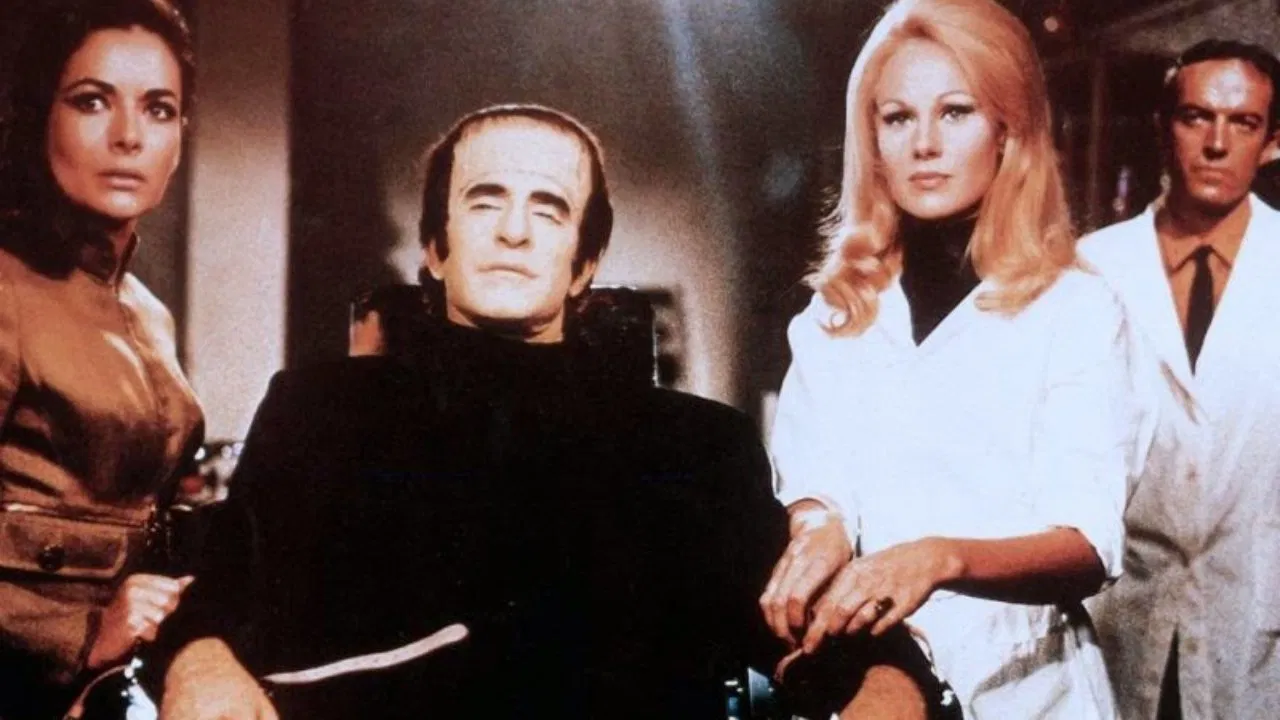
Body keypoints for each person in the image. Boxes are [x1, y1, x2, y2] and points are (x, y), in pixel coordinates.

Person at [153, 104, 958, 719]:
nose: (514, 231)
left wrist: (890, 685)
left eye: (547, 208)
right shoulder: (319, 411)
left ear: (585, 263)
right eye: (484, 202)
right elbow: (212, 594)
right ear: (435, 247)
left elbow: (823, 626)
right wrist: (199, 662)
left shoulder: (693, 447)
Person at [757, 0, 1150, 716]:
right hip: (880, 674)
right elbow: (815, 484)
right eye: (898, 118)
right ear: (872, 139)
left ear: (1008, 130)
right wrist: (820, 529)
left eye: (956, 112)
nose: (925, 144)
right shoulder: (836, 313)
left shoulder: (1077, 310)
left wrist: (940, 558)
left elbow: (1088, 546)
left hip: (1029, 688)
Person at [0, 0, 204, 717]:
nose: (128, 136)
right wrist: (80, 635)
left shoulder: (149, 313)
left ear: (179, 137)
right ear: (39, 116)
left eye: (158, 109)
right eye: (91, 101)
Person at [1078, 39, 1280, 720]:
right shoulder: (1089, 271)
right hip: (1117, 616)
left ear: (1273, 142)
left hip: (1254, 628)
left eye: (1243, 123)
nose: (1217, 143)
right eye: (1196, 117)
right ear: (1163, 128)